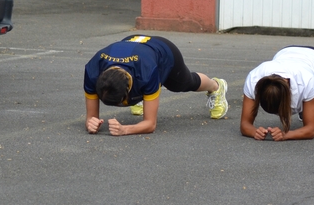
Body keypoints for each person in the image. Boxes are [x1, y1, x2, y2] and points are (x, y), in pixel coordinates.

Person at [84, 34, 228, 136]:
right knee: (141, 89)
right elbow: (91, 117)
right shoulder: (92, 71)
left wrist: (124, 129)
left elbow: (150, 124)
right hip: (133, 45)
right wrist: (91, 123)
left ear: (129, 89)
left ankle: (216, 86)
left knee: (184, 83)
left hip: (163, 50)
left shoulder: (147, 72)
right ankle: (142, 97)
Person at [241, 46, 314, 141]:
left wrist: (286, 135)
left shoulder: (306, 81)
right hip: (286, 52)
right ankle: (305, 107)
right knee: (306, 104)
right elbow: (245, 124)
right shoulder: (253, 79)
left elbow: (311, 130)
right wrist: (254, 132)